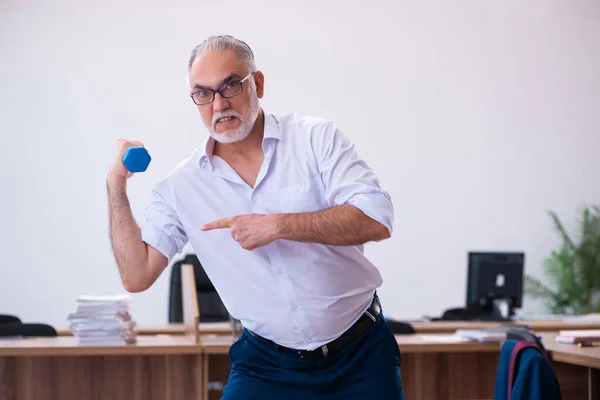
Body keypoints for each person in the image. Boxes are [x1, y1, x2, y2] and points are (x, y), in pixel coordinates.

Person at [106, 35, 404, 400]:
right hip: (267, 365)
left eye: (230, 85)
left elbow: (376, 218)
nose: (218, 104)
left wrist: (279, 225)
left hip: (361, 355)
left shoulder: (315, 139)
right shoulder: (182, 188)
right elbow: (136, 276)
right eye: (203, 93)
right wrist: (115, 184)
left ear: (257, 84)